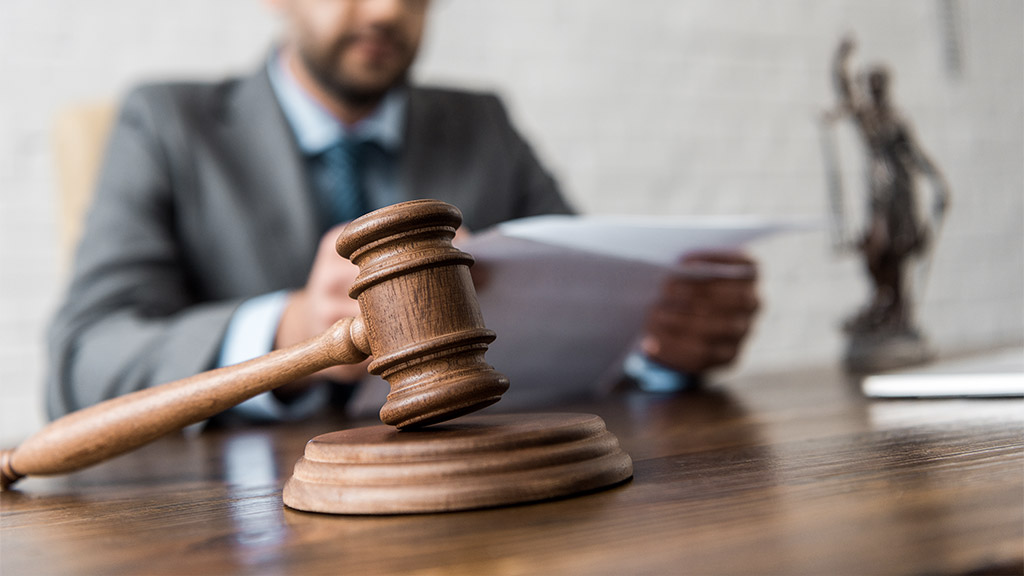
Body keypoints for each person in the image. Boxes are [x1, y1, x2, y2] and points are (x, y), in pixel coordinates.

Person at [47, 0, 759, 421]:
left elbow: (585, 300)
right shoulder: (167, 124)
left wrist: (657, 344)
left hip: (479, 503)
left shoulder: (483, 125)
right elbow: (81, 365)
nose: (389, 10)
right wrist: (294, 333)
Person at [828, 36, 950, 335]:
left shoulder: (898, 118)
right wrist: (841, 58)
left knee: (898, 252)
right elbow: (844, 87)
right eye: (870, 83)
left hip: (900, 192)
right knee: (874, 248)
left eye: (878, 83)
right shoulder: (868, 116)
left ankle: (897, 309)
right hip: (877, 193)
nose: (874, 88)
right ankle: (882, 299)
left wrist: (938, 181)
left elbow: (916, 154)